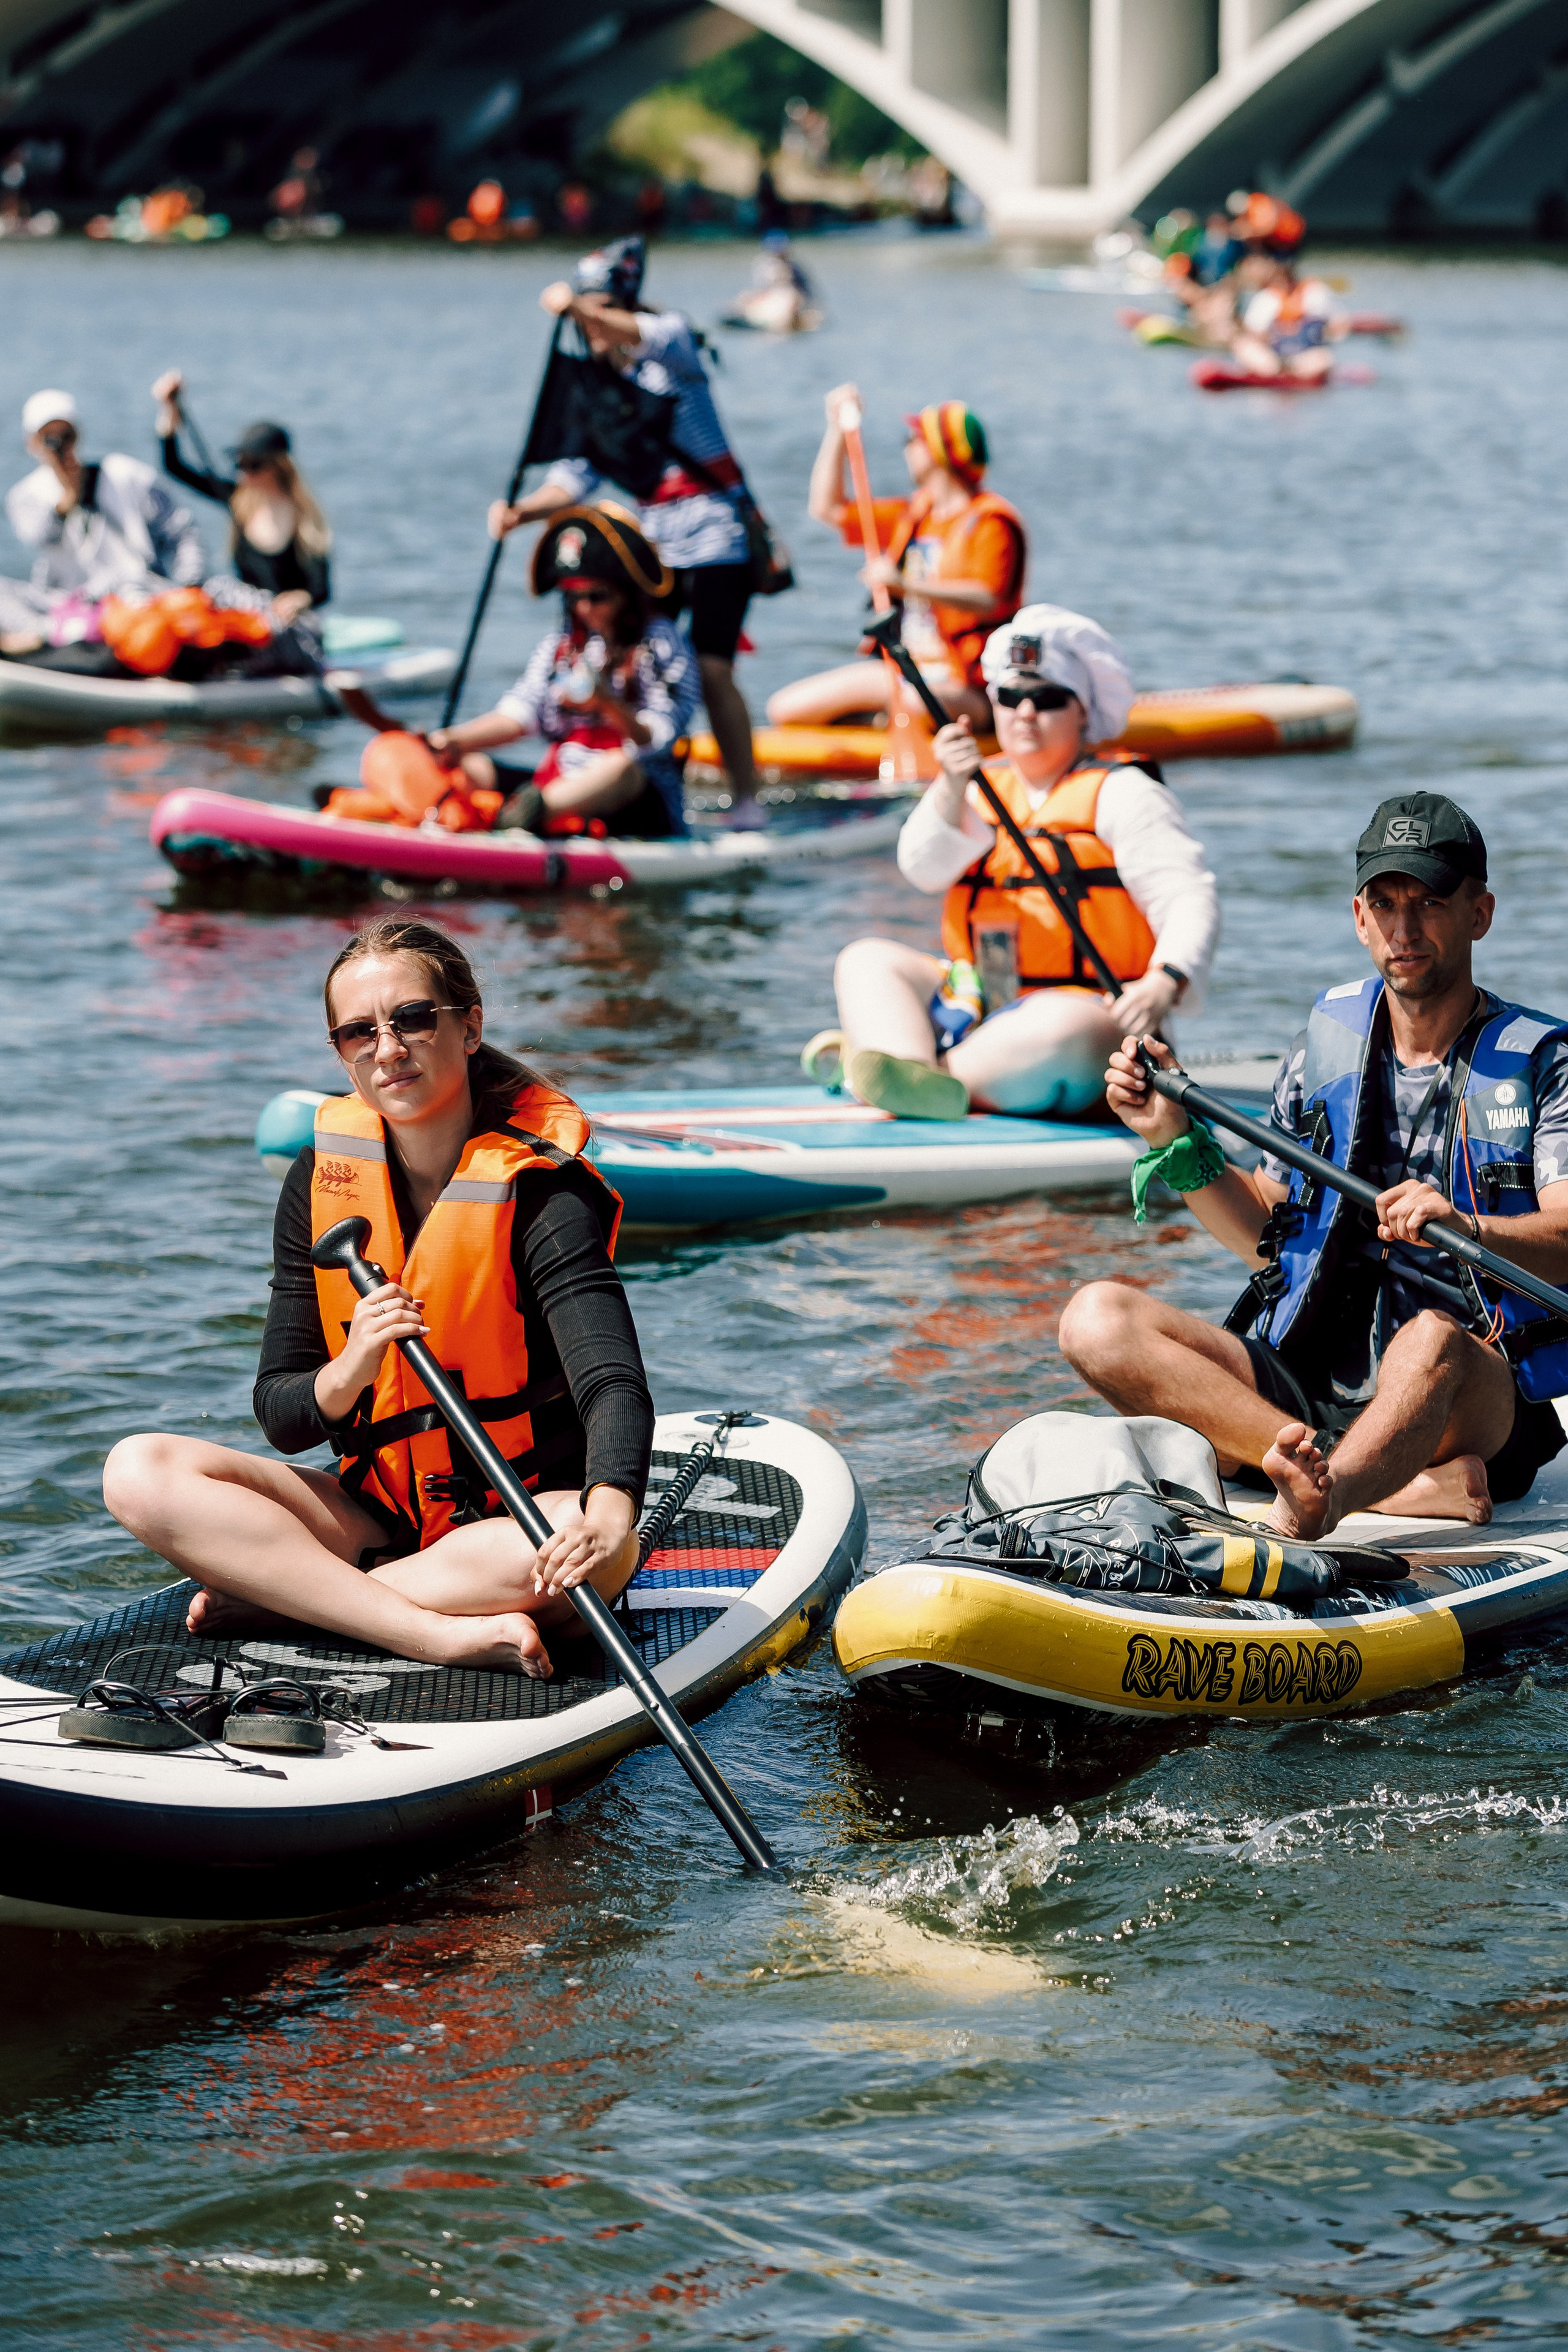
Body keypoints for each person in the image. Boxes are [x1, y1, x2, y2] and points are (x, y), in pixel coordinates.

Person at [102, 919, 655, 1678]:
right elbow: (283, 1415)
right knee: (138, 1469)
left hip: (520, 1527)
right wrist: (354, 1365)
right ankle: (425, 1631)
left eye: (414, 1019)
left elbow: (612, 1384)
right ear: (340, 1053)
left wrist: (611, 1514)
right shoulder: (319, 1183)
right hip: (380, 1521)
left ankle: (303, 1601)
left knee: (595, 1549)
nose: (387, 1048)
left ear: (469, 1028)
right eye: (358, 1031)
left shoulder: (542, 1195)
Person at [1063, 794, 1568, 1537]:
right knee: (1096, 1319)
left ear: (1479, 914)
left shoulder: (1544, 1063)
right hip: (1309, 1375)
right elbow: (1262, 1230)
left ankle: (1322, 1500)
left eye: (1429, 903)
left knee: (1427, 1340)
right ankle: (1367, 1480)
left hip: (1473, 1387)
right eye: (1385, 905)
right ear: (1358, 918)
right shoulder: (1320, 1047)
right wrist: (1171, 1134)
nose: (1405, 929)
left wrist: (1467, 1226)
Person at [807, 605, 1218, 1121]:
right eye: (1010, 696)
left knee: (1065, 1027)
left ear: (1084, 711)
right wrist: (951, 789)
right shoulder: (976, 786)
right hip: (981, 1005)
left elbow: (1188, 897)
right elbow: (923, 869)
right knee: (866, 959)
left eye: (1046, 699)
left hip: (1088, 1018)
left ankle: (911, 1078)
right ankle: (910, 1070)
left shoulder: (1125, 794)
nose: (1025, 713)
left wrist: (1164, 981)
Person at [489, 236, 766, 823]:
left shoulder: (671, 343)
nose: (594, 327)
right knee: (647, 656)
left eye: (601, 310)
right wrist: (522, 514)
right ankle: (648, 780)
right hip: (659, 543)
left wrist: (575, 306)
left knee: (712, 666)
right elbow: (577, 475)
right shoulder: (602, 391)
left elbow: (637, 333)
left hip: (718, 531)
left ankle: (747, 800)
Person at [415, 503, 699, 840]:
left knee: (622, 768)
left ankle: (521, 818)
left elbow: (660, 737)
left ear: (627, 594)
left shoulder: (660, 643)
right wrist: (452, 741)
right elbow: (520, 713)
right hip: (560, 780)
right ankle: (459, 815)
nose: (584, 608)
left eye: (597, 596)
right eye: (573, 597)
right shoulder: (561, 646)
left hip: (635, 798)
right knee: (468, 763)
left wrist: (608, 704)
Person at [768, 390, 1026, 732]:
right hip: (902, 672)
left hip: (970, 688)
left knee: (916, 702)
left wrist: (905, 585)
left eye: (912, 439)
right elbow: (826, 509)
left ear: (940, 451)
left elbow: (987, 599)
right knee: (784, 709)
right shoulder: (914, 514)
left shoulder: (990, 522)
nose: (905, 448)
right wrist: (837, 432)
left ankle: (882, 721)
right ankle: (878, 723)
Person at [1, 389, 204, 655]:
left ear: (78, 435)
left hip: (134, 593)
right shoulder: (25, 495)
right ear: (32, 442)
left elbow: (180, 529)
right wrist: (67, 498)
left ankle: (59, 636)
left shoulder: (125, 474)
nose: (59, 446)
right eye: (48, 438)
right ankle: (55, 632)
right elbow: (37, 534)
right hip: (64, 600)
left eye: (66, 436)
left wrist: (190, 583)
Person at [152, 372, 332, 627]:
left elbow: (321, 590)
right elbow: (174, 466)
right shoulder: (237, 500)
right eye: (240, 464)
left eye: (255, 465)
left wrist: (300, 598)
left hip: (292, 625)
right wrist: (169, 409)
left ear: (280, 467)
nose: (245, 473)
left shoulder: (305, 519)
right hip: (251, 618)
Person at [1229, 258, 1344, 382]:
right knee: (1242, 345)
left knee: (1325, 358)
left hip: (1306, 357)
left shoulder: (1314, 292)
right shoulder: (1266, 298)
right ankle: (1277, 373)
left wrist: (1325, 333)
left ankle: (1289, 374)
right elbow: (1255, 333)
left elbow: (1339, 323)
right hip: (1274, 359)